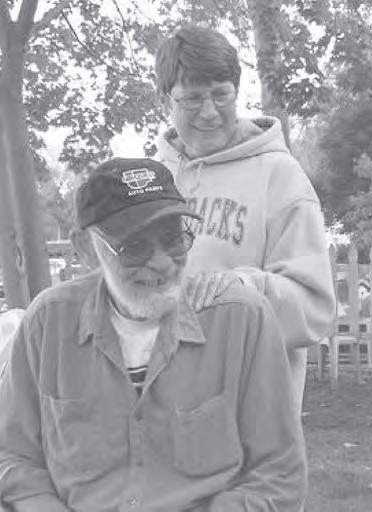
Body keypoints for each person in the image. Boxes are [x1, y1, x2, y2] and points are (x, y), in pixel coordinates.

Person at [0, 158, 306, 512]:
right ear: (86, 248)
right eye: (135, 247)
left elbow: (279, 474)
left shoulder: (242, 320)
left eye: (174, 239)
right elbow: (12, 456)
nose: (162, 262)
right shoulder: (47, 324)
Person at [154, 24, 336, 411]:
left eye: (221, 95)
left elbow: (315, 309)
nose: (209, 112)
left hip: (250, 421)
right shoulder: (154, 179)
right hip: (164, 413)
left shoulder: (279, 176)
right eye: (192, 99)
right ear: (165, 99)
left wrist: (243, 287)